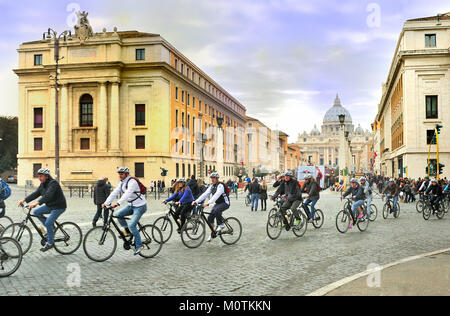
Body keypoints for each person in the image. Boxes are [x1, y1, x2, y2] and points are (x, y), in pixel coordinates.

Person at [17, 168, 67, 252]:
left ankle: (50, 243)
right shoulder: (42, 184)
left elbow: (48, 196)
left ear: (46, 176)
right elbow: (36, 193)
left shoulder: (53, 183)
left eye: (41, 176)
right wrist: (24, 200)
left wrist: (36, 203)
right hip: (50, 206)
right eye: (38, 176)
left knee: (48, 223)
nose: (39, 178)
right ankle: (52, 228)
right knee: (36, 212)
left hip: (59, 207)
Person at [103, 167, 147, 256]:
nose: (120, 175)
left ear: (126, 174)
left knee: (132, 225)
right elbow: (114, 192)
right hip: (131, 205)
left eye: (122, 174)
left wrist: (118, 203)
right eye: (119, 174)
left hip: (140, 206)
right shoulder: (122, 183)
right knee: (118, 214)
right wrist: (106, 203)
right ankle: (127, 232)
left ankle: (139, 245)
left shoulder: (132, 182)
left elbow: (128, 193)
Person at [192, 172, 230, 242]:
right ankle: (213, 234)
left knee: (216, 210)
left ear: (217, 179)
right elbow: (205, 194)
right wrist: (196, 201)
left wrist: (208, 203)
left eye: (214, 178)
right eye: (211, 178)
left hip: (225, 203)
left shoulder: (220, 186)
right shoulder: (212, 186)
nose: (212, 179)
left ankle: (221, 224)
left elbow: (217, 195)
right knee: (210, 218)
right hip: (218, 203)